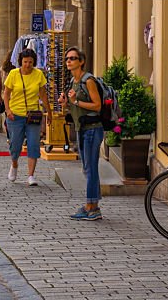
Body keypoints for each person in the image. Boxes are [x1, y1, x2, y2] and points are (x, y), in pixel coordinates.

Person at [60, 47, 103, 220]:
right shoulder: (73, 82)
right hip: (82, 128)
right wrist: (66, 104)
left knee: (90, 168)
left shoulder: (88, 80)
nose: (69, 61)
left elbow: (97, 106)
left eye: (73, 58)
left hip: (93, 128)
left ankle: (91, 207)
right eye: (67, 59)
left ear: (81, 61)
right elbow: (75, 106)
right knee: (87, 168)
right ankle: (92, 206)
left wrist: (75, 101)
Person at [3, 47, 52, 186]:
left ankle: (31, 175)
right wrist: (8, 110)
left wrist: (49, 112)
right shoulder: (13, 74)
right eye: (25, 62)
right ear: (21, 62)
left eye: (30, 62)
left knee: (33, 144)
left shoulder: (38, 75)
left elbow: (43, 94)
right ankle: (14, 164)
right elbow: (6, 93)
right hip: (15, 114)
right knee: (15, 145)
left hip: (33, 114)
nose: (28, 65)